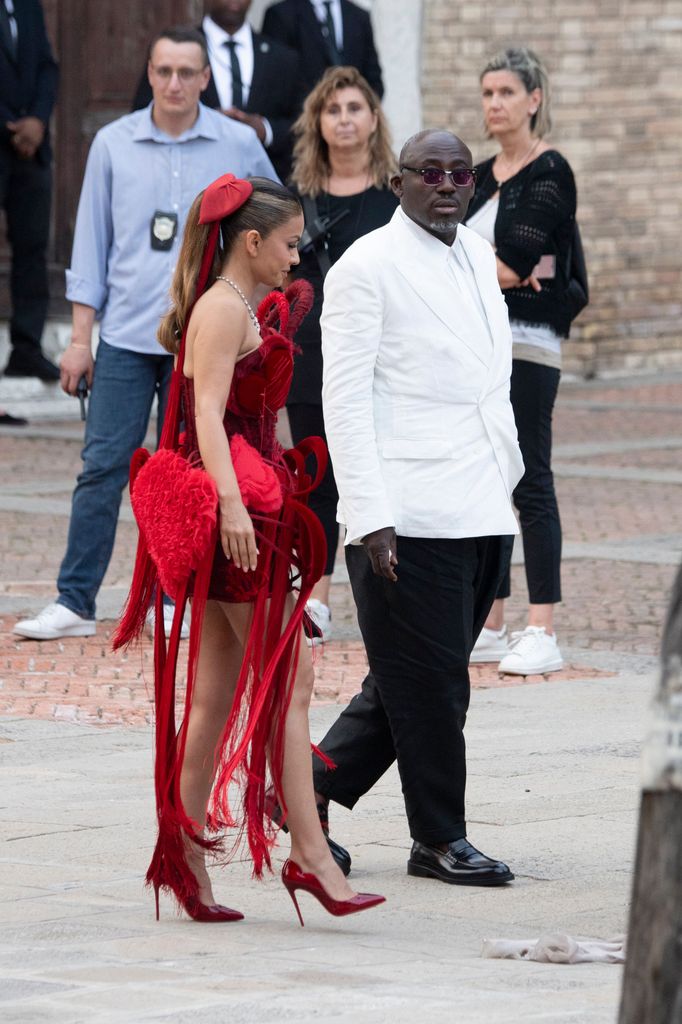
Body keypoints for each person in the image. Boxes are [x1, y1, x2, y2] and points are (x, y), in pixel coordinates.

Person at [113, 173, 385, 925]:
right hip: (240, 524)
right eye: (292, 243)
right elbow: (200, 414)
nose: (300, 257)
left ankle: (186, 856)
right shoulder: (221, 312)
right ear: (253, 241)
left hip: (250, 515)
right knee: (289, 682)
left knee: (215, 697)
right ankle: (309, 855)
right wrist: (233, 505)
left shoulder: (232, 306)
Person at [308, 128, 524, 886]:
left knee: (409, 680)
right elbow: (344, 398)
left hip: (480, 503)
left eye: (459, 173)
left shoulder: (472, 253)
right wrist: (368, 514)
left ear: (473, 184)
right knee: (432, 687)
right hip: (404, 515)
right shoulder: (367, 266)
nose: (445, 184)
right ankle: (439, 837)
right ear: (398, 181)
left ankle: (305, 788)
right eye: (428, 172)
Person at [13, 26, 276, 643]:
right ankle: (75, 599)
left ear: (206, 78)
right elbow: (91, 244)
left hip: (203, 340)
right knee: (102, 466)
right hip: (129, 336)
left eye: (188, 73)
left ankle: (171, 599)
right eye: (164, 72)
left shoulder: (237, 142)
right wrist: (80, 338)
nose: (176, 84)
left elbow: (273, 223)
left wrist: (254, 310)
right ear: (150, 74)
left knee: (185, 473)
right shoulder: (112, 143)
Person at [466, 47, 578, 675]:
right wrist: (501, 272)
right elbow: (495, 264)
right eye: (487, 94)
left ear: (533, 99)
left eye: (506, 92)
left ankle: (543, 627)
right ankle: (491, 623)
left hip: (529, 342)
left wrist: (492, 268)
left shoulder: (549, 171)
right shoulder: (479, 176)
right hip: (478, 341)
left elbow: (515, 256)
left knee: (530, 475)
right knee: (486, 476)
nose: (495, 104)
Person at [287, 65, 397, 643]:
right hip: (311, 351)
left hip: (381, 354)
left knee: (375, 467)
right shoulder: (297, 196)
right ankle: (315, 597)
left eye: (355, 108)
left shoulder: (395, 198)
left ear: (373, 119)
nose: (345, 119)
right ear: (318, 123)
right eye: (334, 110)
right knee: (316, 472)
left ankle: (387, 590)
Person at [131, 2, 301, 181]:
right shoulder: (176, 50)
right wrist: (200, 121)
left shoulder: (283, 57)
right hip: (188, 180)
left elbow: (303, 124)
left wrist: (264, 129)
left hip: (259, 189)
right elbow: (144, 114)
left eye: (187, 73)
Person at [0, 0, 59, 382]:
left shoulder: (26, 5)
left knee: (32, 251)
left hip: (30, 152)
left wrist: (37, 121)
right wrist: (11, 125)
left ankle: (26, 348)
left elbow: (46, 68)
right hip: (10, 136)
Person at [262, 0, 383, 99]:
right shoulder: (280, 15)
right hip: (303, 124)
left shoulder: (360, 16)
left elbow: (374, 81)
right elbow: (276, 84)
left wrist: (355, 108)